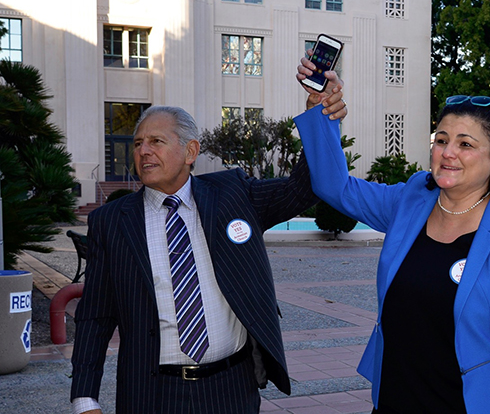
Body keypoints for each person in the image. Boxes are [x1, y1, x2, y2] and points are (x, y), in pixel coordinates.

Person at [294, 59, 490, 413]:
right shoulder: (412, 199)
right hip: (392, 402)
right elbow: (336, 188)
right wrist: (322, 115)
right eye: (441, 140)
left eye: (466, 144)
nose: (448, 152)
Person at [70, 104, 346, 414]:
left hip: (230, 388)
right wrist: (85, 398)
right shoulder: (112, 222)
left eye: (156, 141)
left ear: (190, 151)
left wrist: (320, 117)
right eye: (138, 143)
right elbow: (95, 315)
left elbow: (301, 190)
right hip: (152, 393)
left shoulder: (233, 195)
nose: (143, 151)